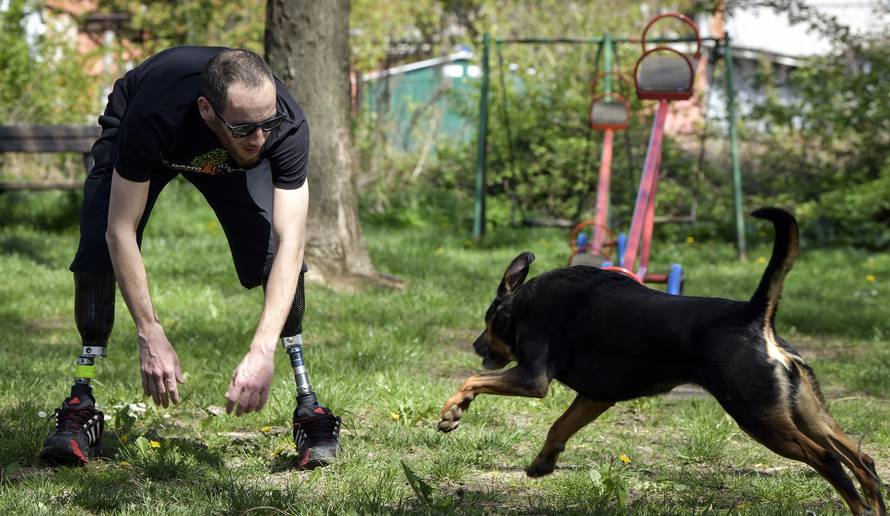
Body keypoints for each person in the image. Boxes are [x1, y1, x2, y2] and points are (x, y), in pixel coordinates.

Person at [40, 46, 340, 470]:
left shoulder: (283, 127)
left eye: (267, 124)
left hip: (227, 152)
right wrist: (149, 332)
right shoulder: (154, 113)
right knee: (96, 243)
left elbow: (292, 240)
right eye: (246, 128)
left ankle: (309, 405)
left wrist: (262, 348)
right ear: (208, 110)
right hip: (154, 130)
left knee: (272, 253)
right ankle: (79, 402)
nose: (260, 139)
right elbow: (119, 229)